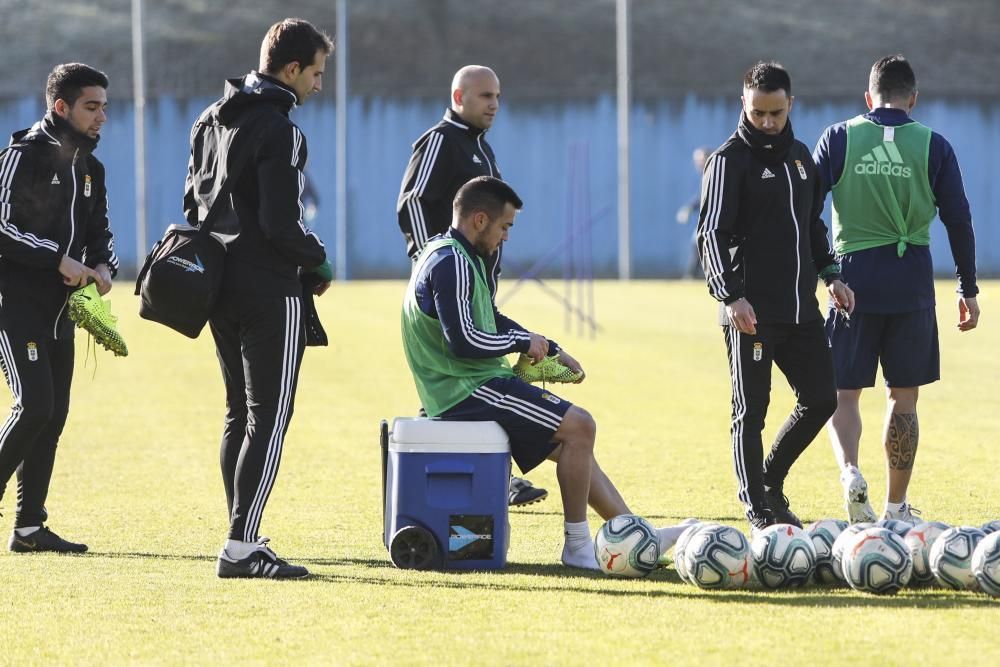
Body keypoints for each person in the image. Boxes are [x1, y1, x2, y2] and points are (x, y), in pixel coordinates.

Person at [401, 175, 696, 569]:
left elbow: (490, 320)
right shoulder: (450, 261)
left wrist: (548, 346)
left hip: (475, 384)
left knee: (573, 443)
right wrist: (523, 344)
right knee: (580, 427)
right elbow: (465, 341)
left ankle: (635, 533)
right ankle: (577, 547)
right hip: (465, 390)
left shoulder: (458, 256)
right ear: (479, 220)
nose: (506, 237)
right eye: (504, 227)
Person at [183, 18, 334, 579]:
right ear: (291, 69)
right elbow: (280, 223)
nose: (319, 85)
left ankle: (239, 531)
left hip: (215, 284)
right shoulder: (281, 129)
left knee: (237, 413)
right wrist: (317, 258)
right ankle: (242, 548)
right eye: (316, 73)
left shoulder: (208, 118)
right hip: (269, 288)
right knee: (268, 418)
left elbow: (190, 202)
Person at [813, 55, 980, 525]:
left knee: (843, 393)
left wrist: (827, 272)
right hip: (910, 280)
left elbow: (806, 207)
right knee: (902, 397)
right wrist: (967, 288)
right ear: (913, 99)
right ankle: (894, 507)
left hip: (852, 280)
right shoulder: (934, 145)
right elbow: (959, 219)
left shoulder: (839, 137)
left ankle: (849, 472)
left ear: (869, 97)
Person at [696, 62, 855, 533]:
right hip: (751, 315)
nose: (767, 122)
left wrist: (831, 275)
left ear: (791, 106)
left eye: (776, 113)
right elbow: (711, 235)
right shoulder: (728, 161)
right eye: (758, 112)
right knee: (751, 411)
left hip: (801, 311)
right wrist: (731, 297)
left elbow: (812, 225)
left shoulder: (802, 159)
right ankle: (759, 510)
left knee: (823, 398)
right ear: (743, 104)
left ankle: (768, 480)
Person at [396, 65, 547, 508]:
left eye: (497, 96)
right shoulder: (440, 141)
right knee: (463, 381)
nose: (494, 104)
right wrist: (438, 262)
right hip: (451, 286)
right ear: (459, 97)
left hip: (476, 286)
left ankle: (480, 470)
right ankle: (467, 471)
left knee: (467, 385)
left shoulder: (480, 149)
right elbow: (412, 203)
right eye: (484, 96)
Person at [0, 63, 118, 553]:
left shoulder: (91, 168)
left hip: (62, 313)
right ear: (61, 107)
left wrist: (103, 266)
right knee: (35, 406)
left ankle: (29, 528)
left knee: (54, 415)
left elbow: (99, 233)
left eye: (104, 108)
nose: (101, 118)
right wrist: (58, 260)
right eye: (92, 107)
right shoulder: (21, 155)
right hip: (16, 307)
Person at [675, 146, 711, 278]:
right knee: (697, 244)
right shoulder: (706, 175)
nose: (698, 163)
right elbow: (701, 198)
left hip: (715, 220)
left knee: (698, 243)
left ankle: (692, 275)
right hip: (707, 220)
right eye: (697, 160)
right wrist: (688, 208)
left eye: (701, 159)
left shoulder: (714, 174)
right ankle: (693, 275)